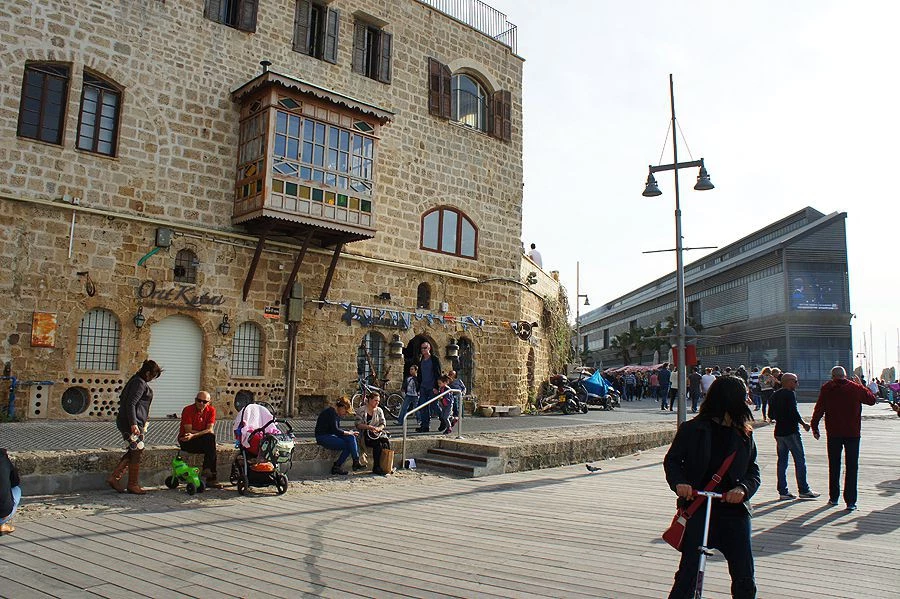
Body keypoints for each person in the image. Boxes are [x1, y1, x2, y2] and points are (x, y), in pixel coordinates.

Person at [663, 376, 761, 598]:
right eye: (743, 396)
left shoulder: (744, 433)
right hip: (698, 507)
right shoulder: (692, 429)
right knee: (689, 571)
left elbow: (752, 470)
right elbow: (672, 461)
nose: (747, 401)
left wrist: (743, 489)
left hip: (734, 511)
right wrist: (680, 483)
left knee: (744, 574)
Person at [810, 366, 877, 511]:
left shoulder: (827, 388)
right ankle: (850, 501)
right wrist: (861, 385)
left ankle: (834, 498)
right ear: (845, 376)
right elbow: (872, 400)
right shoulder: (855, 388)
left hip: (833, 432)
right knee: (852, 466)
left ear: (832, 376)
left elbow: (819, 408)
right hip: (852, 433)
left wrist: (814, 426)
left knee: (834, 465)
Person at [109, 359, 162, 494]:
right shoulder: (139, 383)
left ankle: (115, 477)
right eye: (153, 376)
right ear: (148, 373)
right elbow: (131, 403)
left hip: (131, 422)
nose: (152, 379)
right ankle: (131, 484)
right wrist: (134, 423)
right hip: (131, 423)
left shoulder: (135, 380)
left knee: (135, 450)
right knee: (137, 450)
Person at [769, 373, 819, 501]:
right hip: (791, 431)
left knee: (782, 462)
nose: (797, 384)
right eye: (795, 381)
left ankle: (783, 491)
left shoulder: (774, 395)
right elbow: (793, 412)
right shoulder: (790, 394)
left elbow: (770, 415)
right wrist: (804, 424)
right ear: (788, 382)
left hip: (779, 432)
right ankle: (804, 490)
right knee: (799, 460)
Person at [178, 390, 222, 489]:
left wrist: (195, 434)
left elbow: (210, 429)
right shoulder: (188, 410)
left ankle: (207, 471)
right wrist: (203, 432)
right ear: (195, 400)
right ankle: (211, 477)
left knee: (211, 440)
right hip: (187, 441)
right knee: (211, 446)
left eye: (204, 402)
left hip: (198, 439)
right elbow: (188, 430)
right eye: (199, 400)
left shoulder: (211, 410)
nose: (201, 403)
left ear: (209, 402)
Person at [316, 397, 364, 475]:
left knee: (351, 438)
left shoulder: (336, 414)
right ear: (342, 407)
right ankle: (338, 466)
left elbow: (336, 430)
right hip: (323, 436)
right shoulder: (331, 413)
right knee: (349, 445)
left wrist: (349, 433)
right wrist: (348, 432)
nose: (345, 414)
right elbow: (336, 430)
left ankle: (356, 461)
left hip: (330, 435)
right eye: (346, 411)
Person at [356, 392, 391, 475]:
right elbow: (358, 424)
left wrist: (379, 428)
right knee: (378, 444)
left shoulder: (379, 410)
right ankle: (376, 467)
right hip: (365, 435)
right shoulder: (361, 410)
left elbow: (383, 423)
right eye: (375, 400)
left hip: (377, 434)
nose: (377, 403)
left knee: (385, 443)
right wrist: (369, 427)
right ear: (370, 400)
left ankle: (386, 465)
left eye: (378, 401)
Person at [415, 341, 441, 433]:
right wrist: (418, 387)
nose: (423, 350)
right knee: (423, 406)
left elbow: (438, 373)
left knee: (434, 405)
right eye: (422, 348)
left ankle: (445, 419)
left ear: (429, 348)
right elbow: (420, 374)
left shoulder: (434, 359)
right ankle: (425, 426)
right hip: (423, 386)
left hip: (432, 386)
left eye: (425, 348)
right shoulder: (421, 360)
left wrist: (436, 387)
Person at [0, 448, 20, 536]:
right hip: (2, 513)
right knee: (16, 489)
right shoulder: (2, 458)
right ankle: (2, 525)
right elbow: (15, 481)